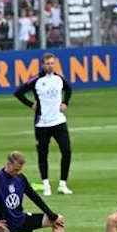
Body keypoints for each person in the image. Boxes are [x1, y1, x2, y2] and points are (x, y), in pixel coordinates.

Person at [13, 52, 73, 196]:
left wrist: (65, 102)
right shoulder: (36, 80)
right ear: (43, 65)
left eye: (52, 63)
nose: (50, 66)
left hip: (59, 121)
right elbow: (19, 92)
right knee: (43, 154)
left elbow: (68, 90)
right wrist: (30, 104)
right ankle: (46, 184)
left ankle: (63, 184)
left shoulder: (59, 78)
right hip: (42, 123)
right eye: (48, 64)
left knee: (66, 151)